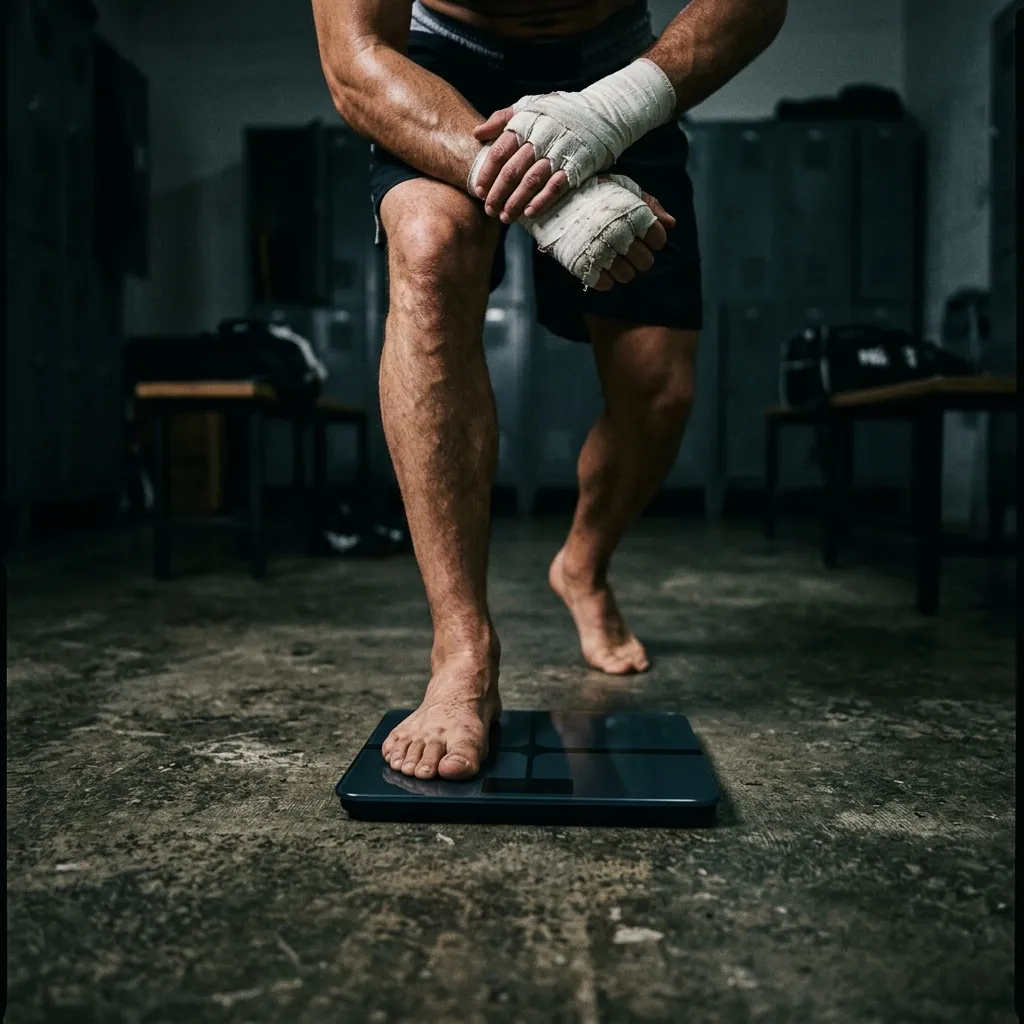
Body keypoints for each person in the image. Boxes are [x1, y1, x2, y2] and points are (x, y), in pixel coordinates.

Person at [311, 0, 788, 781]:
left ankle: (583, 565)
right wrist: (558, 195)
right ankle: (461, 652)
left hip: (617, 71)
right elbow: (353, 56)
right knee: (430, 253)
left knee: (657, 393)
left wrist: (606, 115)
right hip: (439, 65)